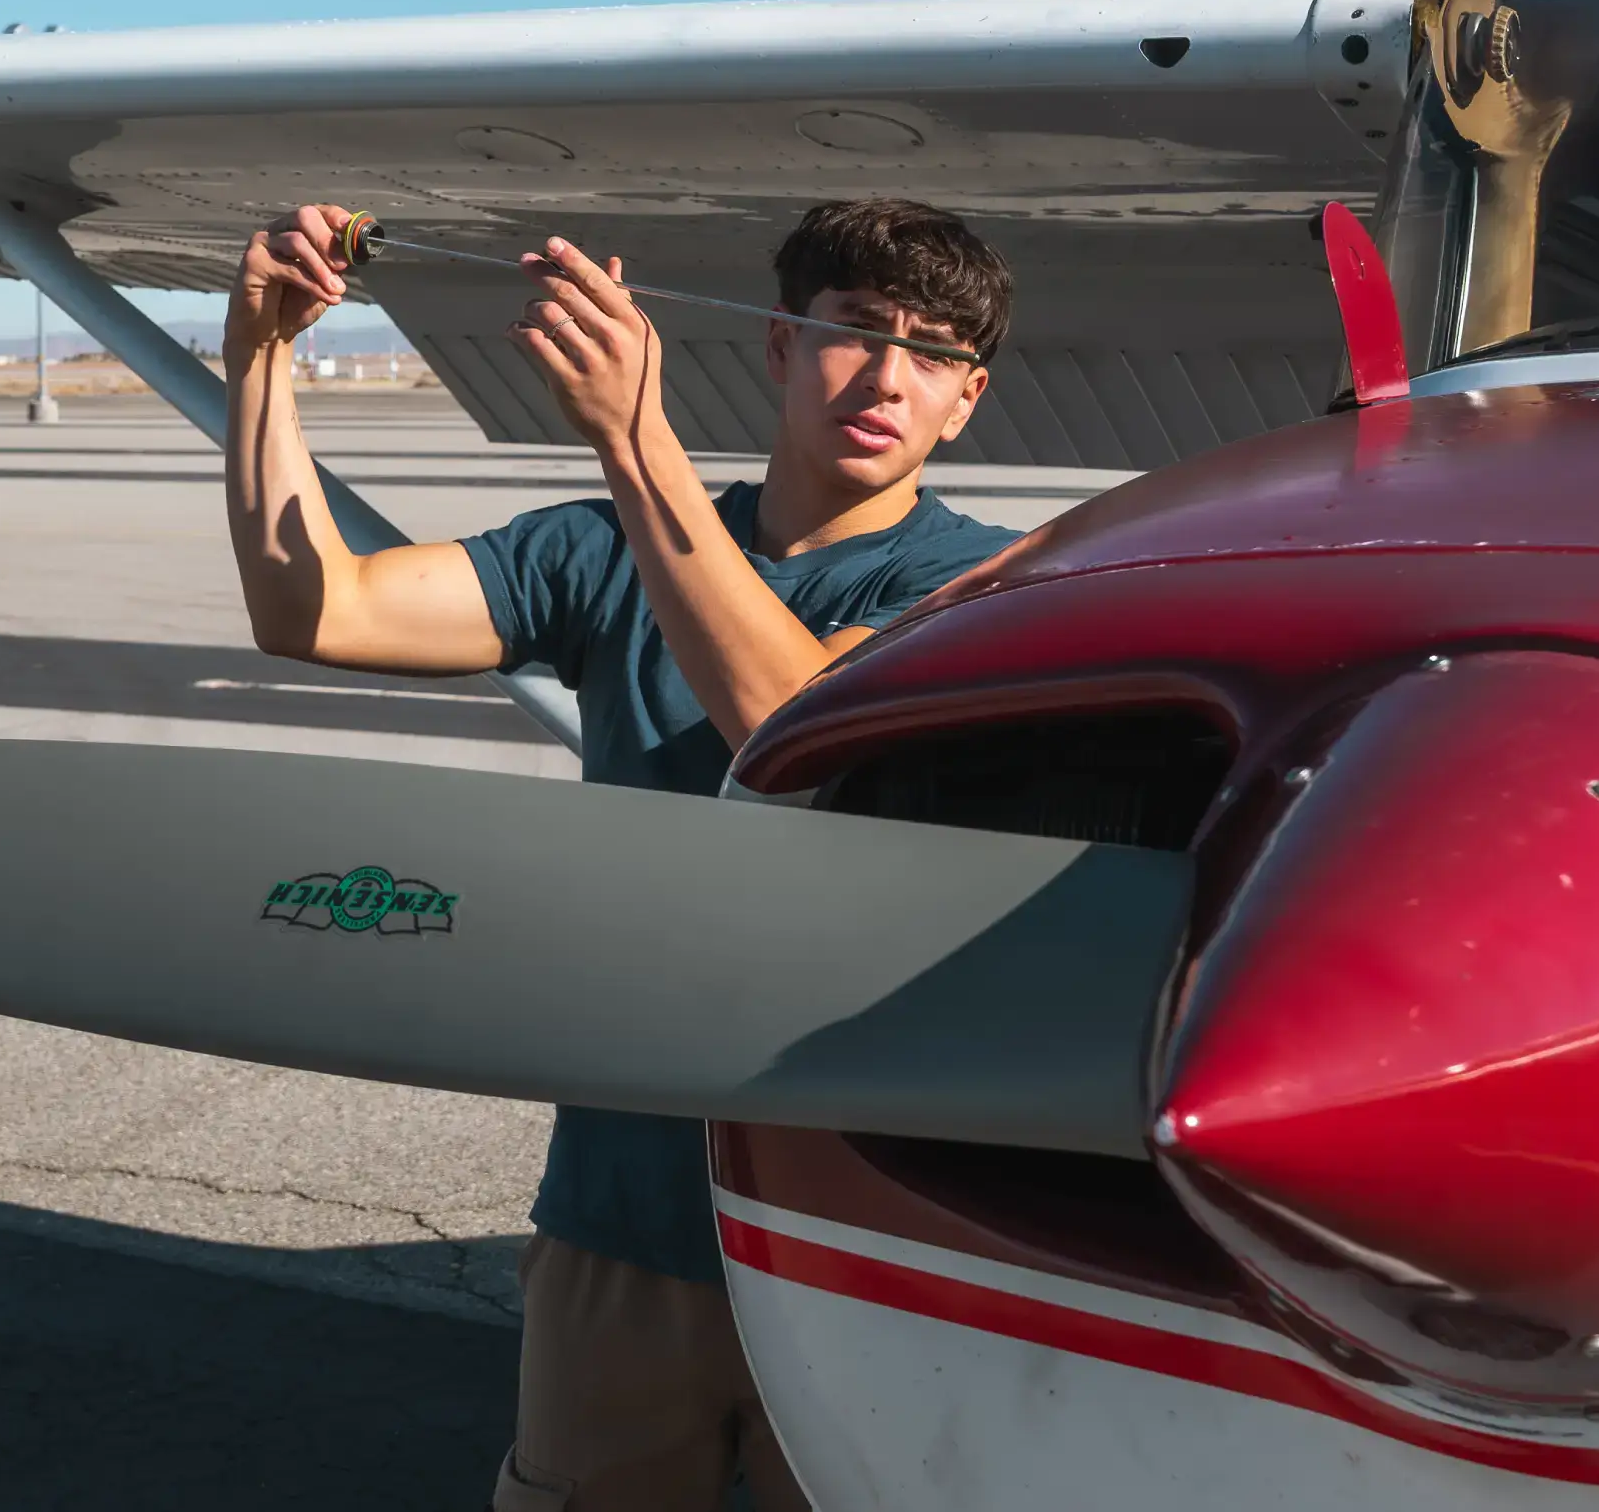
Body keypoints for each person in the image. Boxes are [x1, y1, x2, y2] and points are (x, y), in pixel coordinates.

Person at [224, 196, 1022, 1512]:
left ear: (967, 400)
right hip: (622, 1216)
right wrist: (260, 348)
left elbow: (795, 727)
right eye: (856, 329)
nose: (889, 374)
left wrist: (632, 435)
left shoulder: (988, 588)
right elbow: (312, 605)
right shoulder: (599, 554)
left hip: (868, 1241)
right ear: (777, 348)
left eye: (933, 351)